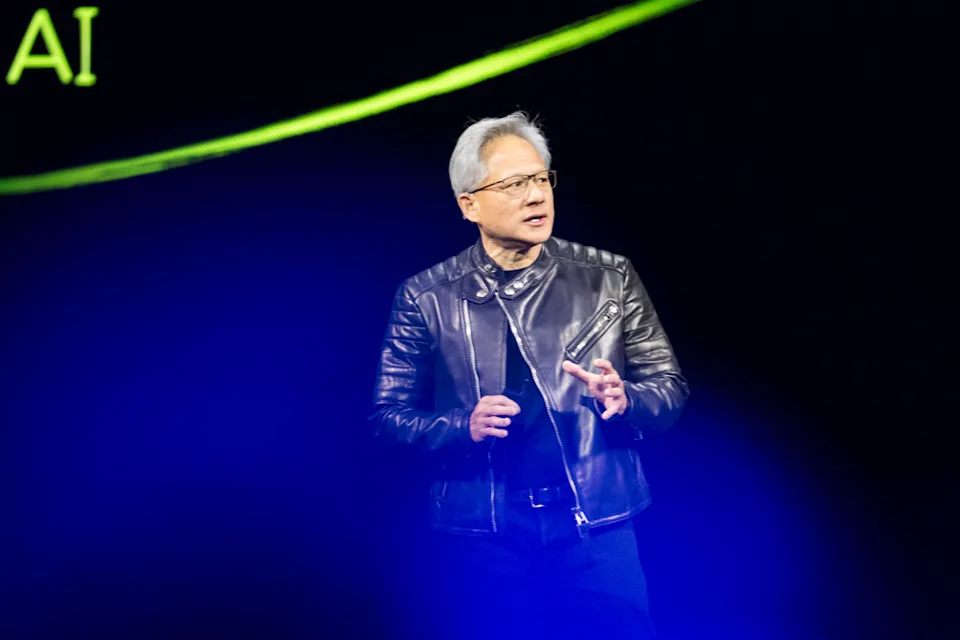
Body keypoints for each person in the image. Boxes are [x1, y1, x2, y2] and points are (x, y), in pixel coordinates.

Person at [369, 111, 689, 639]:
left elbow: (669, 390)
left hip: (595, 523)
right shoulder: (426, 297)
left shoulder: (610, 277)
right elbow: (387, 417)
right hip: (483, 532)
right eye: (514, 184)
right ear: (469, 204)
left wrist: (626, 398)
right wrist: (461, 426)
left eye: (541, 178)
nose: (536, 195)